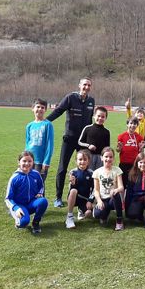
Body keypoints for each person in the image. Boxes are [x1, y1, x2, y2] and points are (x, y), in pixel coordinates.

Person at [47, 77, 95, 208]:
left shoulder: (91, 101)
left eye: (89, 85)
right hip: (69, 139)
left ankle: (81, 197)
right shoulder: (70, 97)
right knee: (62, 168)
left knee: (84, 169)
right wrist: (46, 121)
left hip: (83, 142)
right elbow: (58, 111)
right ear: (79, 85)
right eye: (84, 85)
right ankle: (58, 197)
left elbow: (91, 122)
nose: (86, 87)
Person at [5, 151, 48, 234]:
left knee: (43, 201)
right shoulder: (15, 178)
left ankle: (36, 223)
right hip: (20, 206)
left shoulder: (36, 174)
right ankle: (16, 216)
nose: (27, 163)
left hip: (31, 203)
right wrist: (16, 208)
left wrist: (40, 193)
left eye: (29, 161)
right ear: (19, 162)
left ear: (33, 162)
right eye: (24, 161)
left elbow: (41, 186)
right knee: (23, 223)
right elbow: (8, 198)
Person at [92, 147, 125, 231]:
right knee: (97, 214)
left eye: (110, 157)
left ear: (113, 158)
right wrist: (99, 201)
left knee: (116, 194)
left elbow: (121, 187)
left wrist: (116, 190)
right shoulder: (97, 172)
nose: (108, 159)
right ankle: (104, 215)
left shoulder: (117, 170)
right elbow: (96, 190)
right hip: (103, 199)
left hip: (113, 199)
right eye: (106, 157)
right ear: (101, 158)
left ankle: (119, 220)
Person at [25, 98, 54, 184]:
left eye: (42, 107)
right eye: (38, 107)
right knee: (28, 183)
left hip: (40, 162)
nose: (40, 109)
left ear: (45, 110)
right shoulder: (29, 126)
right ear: (33, 108)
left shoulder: (48, 125)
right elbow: (27, 143)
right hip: (30, 160)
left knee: (39, 184)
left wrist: (46, 161)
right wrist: (25, 158)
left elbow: (50, 144)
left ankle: (40, 198)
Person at [65, 150, 94, 229]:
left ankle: (81, 210)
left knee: (88, 214)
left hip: (85, 199)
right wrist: (73, 183)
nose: (82, 162)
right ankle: (69, 217)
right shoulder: (73, 172)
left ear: (88, 161)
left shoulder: (91, 173)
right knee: (74, 191)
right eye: (80, 159)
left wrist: (90, 201)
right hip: (75, 197)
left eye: (85, 160)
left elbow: (94, 189)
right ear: (76, 161)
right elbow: (71, 189)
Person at [77, 106, 110, 170]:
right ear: (94, 116)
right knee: (88, 175)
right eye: (98, 116)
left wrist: (104, 157)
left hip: (100, 158)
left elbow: (107, 147)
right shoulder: (87, 128)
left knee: (98, 176)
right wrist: (88, 145)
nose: (100, 118)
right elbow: (80, 142)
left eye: (103, 117)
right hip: (88, 157)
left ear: (106, 118)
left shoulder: (107, 132)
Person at [117, 117, 145, 188]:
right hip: (123, 163)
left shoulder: (139, 137)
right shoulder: (121, 136)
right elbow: (118, 150)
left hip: (134, 164)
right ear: (127, 124)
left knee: (132, 184)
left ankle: (131, 198)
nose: (132, 125)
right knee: (122, 184)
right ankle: (122, 198)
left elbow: (141, 152)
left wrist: (141, 148)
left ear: (137, 125)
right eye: (131, 123)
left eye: (135, 124)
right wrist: (119, 148)